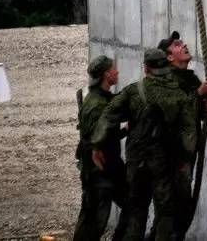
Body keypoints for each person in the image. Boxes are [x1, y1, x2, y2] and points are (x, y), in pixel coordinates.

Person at [93, 49, 197, 241]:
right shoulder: (178, 95)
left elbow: (108, 116)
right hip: (164, 164)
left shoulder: (134, 91)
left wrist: (96, 145)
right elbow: (189, 130)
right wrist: (185, 158)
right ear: (166, 67)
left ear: (146, 68)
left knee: (135, 210)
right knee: (165, 211)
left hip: (137, 163)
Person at [157, 32, 207, 239]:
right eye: (177, 44)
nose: (183, 44)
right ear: (169, 57)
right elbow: (173, 111)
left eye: (182, 41)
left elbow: (198, 113)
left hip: (187, 152)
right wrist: (198, 95)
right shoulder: (166, 81)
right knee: (172, 206)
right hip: (171, 153)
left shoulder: (190, 78)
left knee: (181, 206)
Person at [74, 56, 128, 241]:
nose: (117, 72)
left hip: (110, 168)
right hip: (99, 172)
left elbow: (107, 134)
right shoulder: (96, 104)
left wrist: (124, 131)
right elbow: (93, 141)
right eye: (114, 69)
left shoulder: (102, 98)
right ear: (106, 74)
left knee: (132, 206)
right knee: (93, 221)